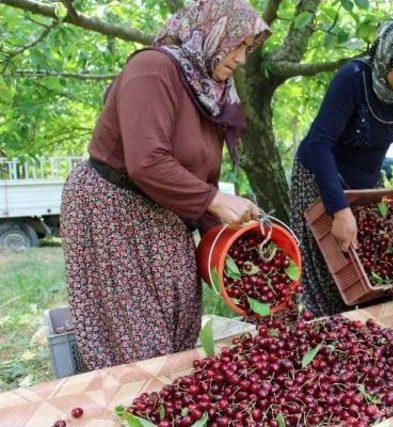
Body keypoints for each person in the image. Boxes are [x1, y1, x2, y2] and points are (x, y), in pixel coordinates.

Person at [60, 0, 269, 370]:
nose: (241, 59)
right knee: (138, 336)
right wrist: (215, 200)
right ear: (213, 32)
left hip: (163, 210)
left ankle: (167, 396)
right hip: (111, 207)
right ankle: (136, 402)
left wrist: (234, 242)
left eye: (247, 49)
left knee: (180, 314)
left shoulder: (211, 94)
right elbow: (147, 161)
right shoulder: (154, 68)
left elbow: (203, 178)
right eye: (238, 45)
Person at [290, 21, 393, 317]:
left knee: (363, 259)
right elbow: (319, 145)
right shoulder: (352, 79)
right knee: (328, 265)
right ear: (387, 57)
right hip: (319, 176)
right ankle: (323, 329)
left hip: (361, 184)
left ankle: (362, 326)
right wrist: (339, 209)